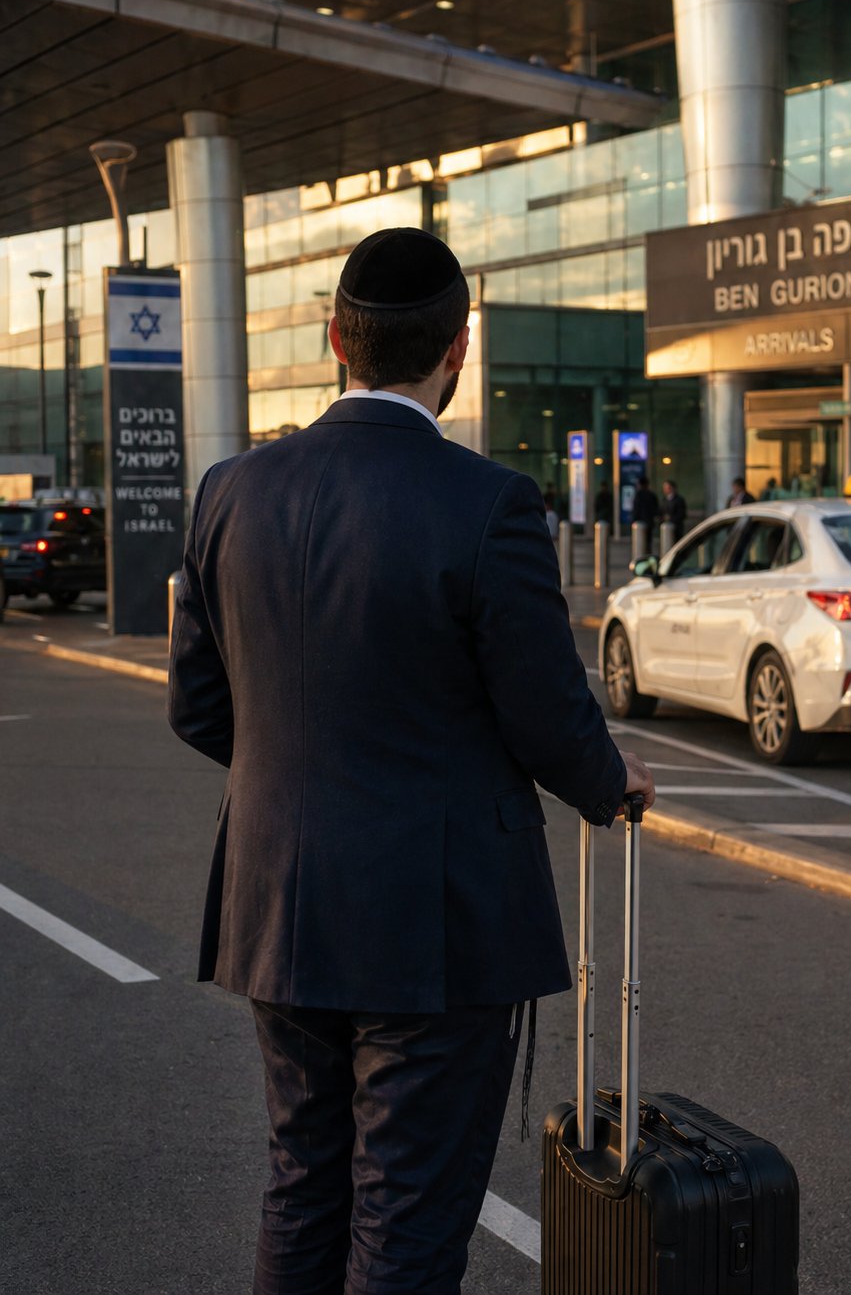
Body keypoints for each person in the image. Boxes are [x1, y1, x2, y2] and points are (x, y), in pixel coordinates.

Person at [168, 227, 655, 1294]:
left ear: (337, 339)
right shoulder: (487, 503)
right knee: (409, 1213)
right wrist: (607, 781)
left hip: (278, 903)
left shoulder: (229, 491)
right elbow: (546, 714)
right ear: (459, 349)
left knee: (304, 1185)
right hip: (436, 925)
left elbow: (201, 708)